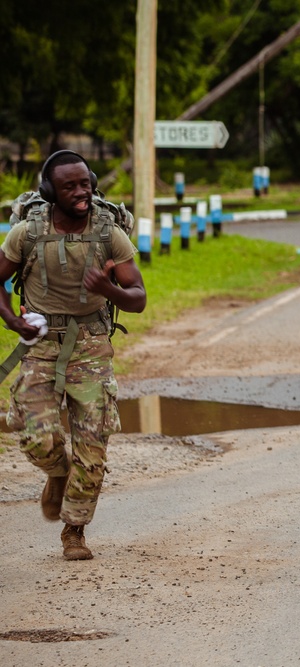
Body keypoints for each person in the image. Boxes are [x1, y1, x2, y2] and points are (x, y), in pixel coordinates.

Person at [0, 150, 146, 560]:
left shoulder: (108, 234)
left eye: (86, 183)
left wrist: (109, 290)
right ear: (50, 192)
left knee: (93, 447)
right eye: (71, 186)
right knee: (36, 437)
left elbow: (138, 298)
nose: (83, 192)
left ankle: (74, 532)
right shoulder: (26, 234)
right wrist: (13, 320)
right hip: (41, 344)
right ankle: (58, 473)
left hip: (92, 346)